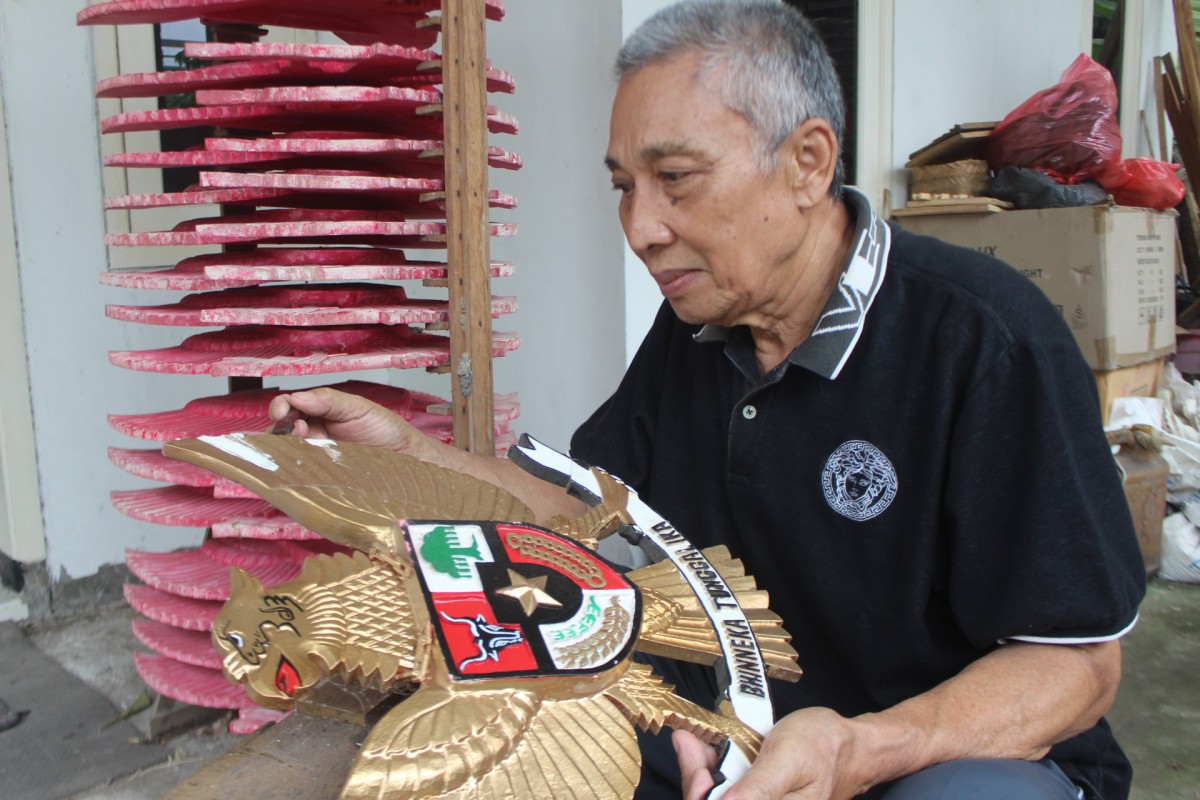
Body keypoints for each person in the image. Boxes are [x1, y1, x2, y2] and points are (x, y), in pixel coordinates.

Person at [268, 2, 1146, 798]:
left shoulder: (983, 340)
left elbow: (1077, 666)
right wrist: (405, 458)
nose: (642, 228)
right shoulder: (699, 324)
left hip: (926, 753)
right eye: (624, 187)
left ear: (807, 163)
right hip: (737, 741)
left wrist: (861, 750)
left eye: (676, 178)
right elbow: (584, 509)